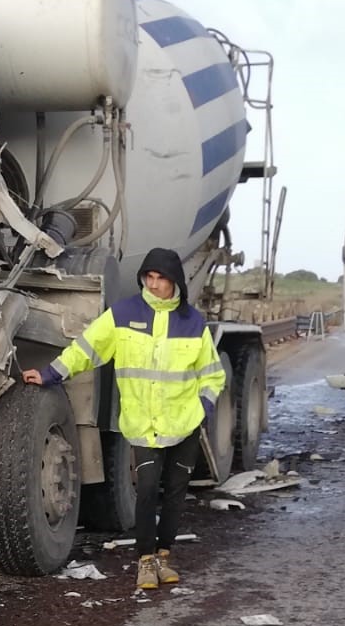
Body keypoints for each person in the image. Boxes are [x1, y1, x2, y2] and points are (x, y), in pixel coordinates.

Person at [23, 247, 225, 591]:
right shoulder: (123, 315)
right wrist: (50, 374)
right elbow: (86, 349)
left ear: (175, 281)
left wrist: (202, 409)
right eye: (150, 277)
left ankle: (164, 556)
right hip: (144, 425)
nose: (155, 284)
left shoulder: (193, 323)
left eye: (162, 278)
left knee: (175, 493)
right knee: (146, 491)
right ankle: (145, 561)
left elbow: (212, 375)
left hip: (184, 424)